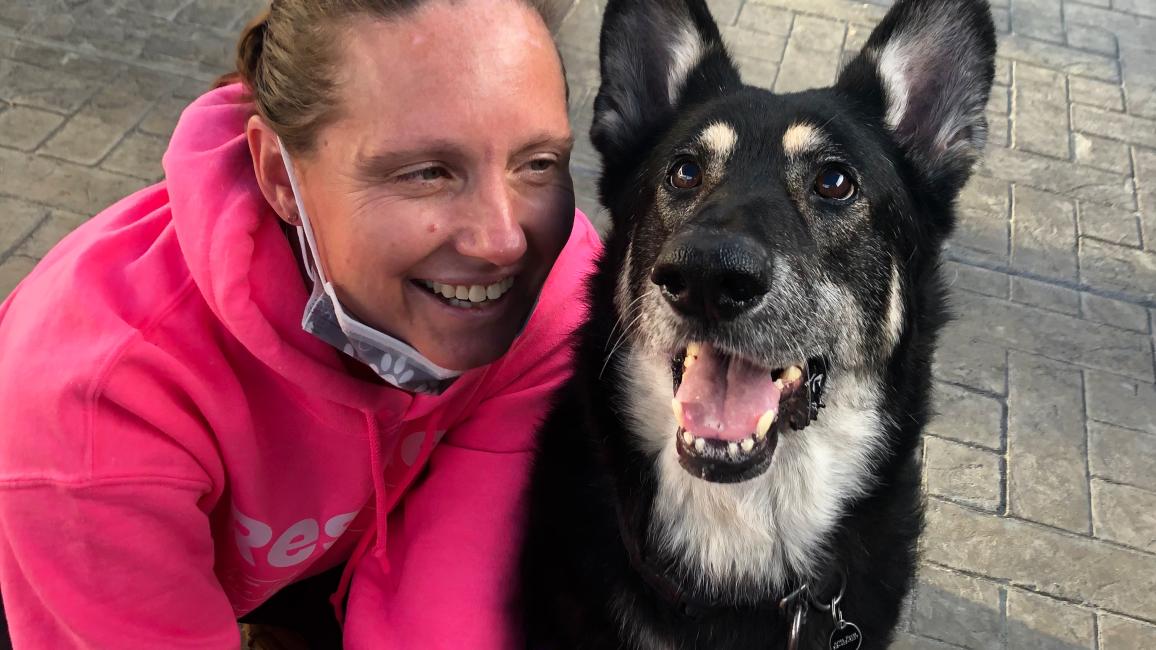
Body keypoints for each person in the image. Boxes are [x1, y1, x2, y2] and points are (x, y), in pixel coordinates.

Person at [0, 0, 600, 647]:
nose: (504, 242)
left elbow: (450, 601)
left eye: (536, 163)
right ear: (280, 177)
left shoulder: (557, 293)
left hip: (311, 544)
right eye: (426, 172)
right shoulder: (98, 413)